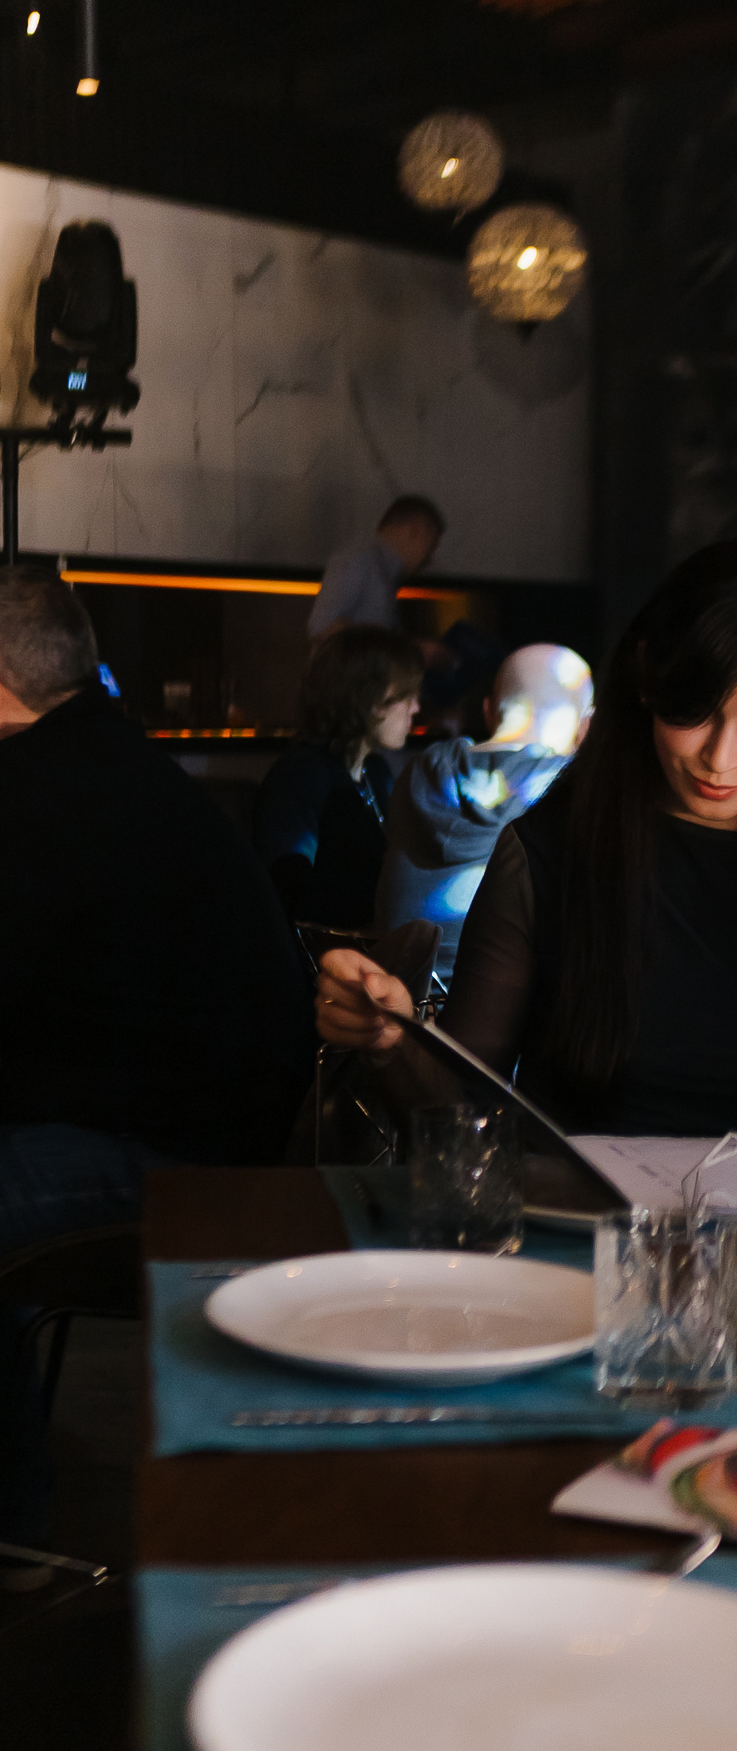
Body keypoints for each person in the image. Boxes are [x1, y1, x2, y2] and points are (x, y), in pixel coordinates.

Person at [316, 538, 737, 1138]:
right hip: (577, 1200)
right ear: (647, 679)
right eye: (693, 711)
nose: (719, 758)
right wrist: (391, 1040)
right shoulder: (550, 849)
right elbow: (460, 1108)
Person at [0, 567, 314, 1561]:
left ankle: (11, 1522)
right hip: (213, 1128)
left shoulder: (41, 789)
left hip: (183, 1161)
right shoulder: (102, 761)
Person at [376, 643, 593, 984]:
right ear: (586, 726)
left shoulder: (417, 772)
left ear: (489, 710)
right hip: (495, 1003)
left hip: (395, 994)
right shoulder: (572, 789)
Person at [254, 625, 423, 929]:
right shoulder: (302, 776)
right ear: (369, 697)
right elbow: (290, 890)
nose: (416, 708)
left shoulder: (376, 771)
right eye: (406, 695)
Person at [308, 493, 444, 641]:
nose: (430, 559)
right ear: (415, 531)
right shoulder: (358, 560)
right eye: (431, 546)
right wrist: (407, 647)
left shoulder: (380, 570)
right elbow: (322, 627)